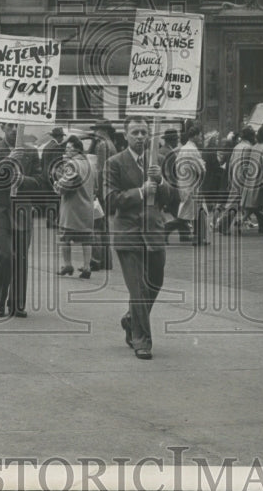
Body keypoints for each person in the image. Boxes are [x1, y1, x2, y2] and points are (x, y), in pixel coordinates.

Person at [106, 116, 177, 360]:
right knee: (137, 289)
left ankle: (130, 319)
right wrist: (139, 192)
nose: (139, 137)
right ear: (125, 135)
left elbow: (171, 198)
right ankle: (142, 341)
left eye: (144, 132)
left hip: (154, 233)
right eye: (135, 132)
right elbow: (109, 198)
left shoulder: (156, 161)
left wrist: (160, 181)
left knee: (154, 284)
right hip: (128, 235)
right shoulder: (114, 163)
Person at [0, 122, 45, 317]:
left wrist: (22, 180)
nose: (14, 130)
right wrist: (8, 161)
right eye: (10, 126)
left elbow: (39, 181)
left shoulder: (31, 152)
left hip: (22, 210)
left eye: (18, 126)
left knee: (20, 258)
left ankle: (17, 303)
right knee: (4, 254)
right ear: (2, 127)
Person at [55, 135, 97, 278]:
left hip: (71, 207)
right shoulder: (90, 163)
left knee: (65, 237)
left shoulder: (72, 164)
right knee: (86, 238)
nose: (66, 151)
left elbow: (64, 187)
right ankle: (86, 267)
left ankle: (67, 265)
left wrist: (57, 184)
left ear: (77, 150)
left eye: (69, 148)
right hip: (87, 206)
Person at [88, 120, 118, 272]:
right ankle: (107, 261)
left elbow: (100, 170)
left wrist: (96, 191)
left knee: (96, 225)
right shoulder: (111, 144)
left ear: (102, 130)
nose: (95, 133)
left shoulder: (101, 145)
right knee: (104, 225)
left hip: (101, 189)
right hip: (109, 187)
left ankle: (96, 259)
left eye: (97, 130)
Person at [174, 121, 207, 245]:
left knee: (193, 212)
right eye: (200, 135)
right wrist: (203, 167)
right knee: (191, 213)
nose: (201, 138)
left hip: (185, 183)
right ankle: (168, 228)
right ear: (194, 136)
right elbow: (200, 169)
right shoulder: (192, 150)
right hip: (193, 184)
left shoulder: (184, 149)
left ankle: (198, 237)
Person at [157, 128, 187, 241]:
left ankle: (184, 234)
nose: (177, 142)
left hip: (163, 186)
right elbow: (170, 173)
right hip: (170, 188)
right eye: (176, 140)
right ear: (172, 140)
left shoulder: (161, 151)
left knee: (179, 213)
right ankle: (168, 231)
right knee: (181, 214)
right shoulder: (169, 153)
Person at [38, 127, 66, 228]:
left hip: (45, 176)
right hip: (53, 177)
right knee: (55, 199)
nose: (62, 139)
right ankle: (52, 221)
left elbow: (42, 163)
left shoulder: (47, 146)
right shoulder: (57, 147)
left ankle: (49, 220)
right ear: (58, 137)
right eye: (62, 137)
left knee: (49, 199)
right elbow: (57, 164)